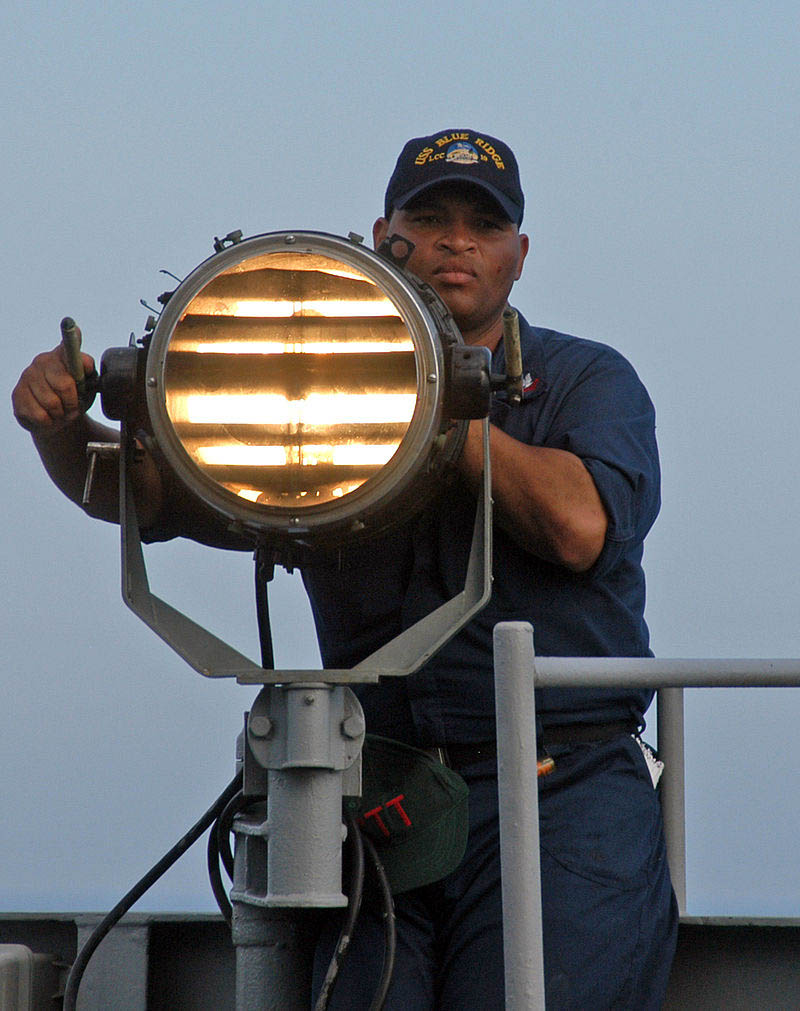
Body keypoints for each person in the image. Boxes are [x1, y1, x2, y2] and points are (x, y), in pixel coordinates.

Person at [12, 128, 677, 1008]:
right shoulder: (319, 394)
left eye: (483, 224)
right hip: (386, 799)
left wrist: (436, 414)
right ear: (381, 233)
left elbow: (580, 525)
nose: (454, 240)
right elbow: (147, 495)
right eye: (429, 215)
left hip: (563, 793)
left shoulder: (588, 381)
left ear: (519, 253)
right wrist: (62, 432)